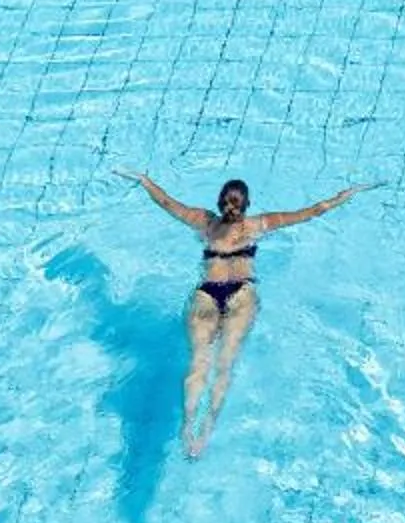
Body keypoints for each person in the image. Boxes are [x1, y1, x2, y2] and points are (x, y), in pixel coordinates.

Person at [119, 170, 366, 455]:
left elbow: (166, 203)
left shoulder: (205, 223)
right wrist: (346, 195)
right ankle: (205, 432)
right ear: (246, 204)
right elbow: (312, 211)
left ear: (219, 202)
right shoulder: (257, 224)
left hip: (206, 295)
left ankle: (187, 428)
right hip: (241, 296)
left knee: (199, 364)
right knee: (224, 364)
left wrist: (144, 180)